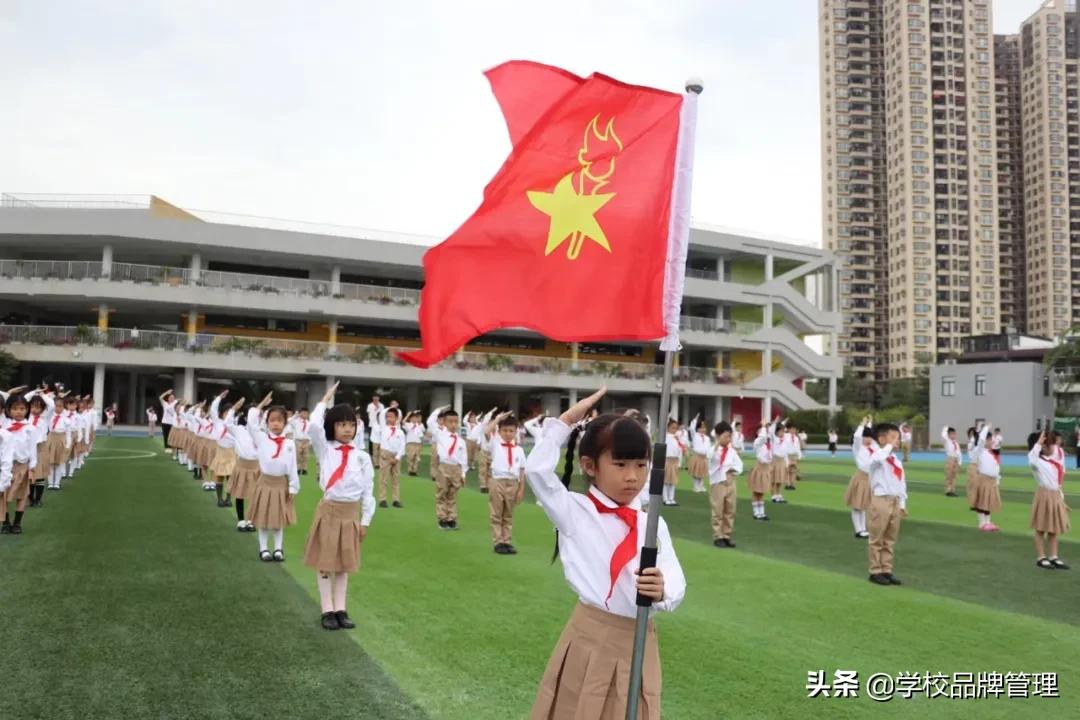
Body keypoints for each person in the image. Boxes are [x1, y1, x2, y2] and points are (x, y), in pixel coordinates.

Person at [525, 387, 685, 719]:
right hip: (591, 636)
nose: (633, 476)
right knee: (579, 707)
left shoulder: (651, 523)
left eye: (641, 465)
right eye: (621, 464)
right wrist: (565, 422)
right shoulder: (575, 512)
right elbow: (537, 472)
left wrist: (663, 589)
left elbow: (672, 575)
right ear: (590, 465)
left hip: (640, 637)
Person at [305, 382, 376, 630]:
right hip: (329, 511)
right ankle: (327, 610)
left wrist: (365, 521)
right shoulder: (325, 450)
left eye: (351, 424)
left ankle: (341, 609)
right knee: (326, 563)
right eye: (341, 424)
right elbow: (313, 425)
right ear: (332, 427)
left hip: (351, 514)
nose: (347, 430)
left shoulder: (362, 456)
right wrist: (324, 400)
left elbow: (368, 490)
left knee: (345, 564)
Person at [246, 393, 300, 561]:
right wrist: (261, 405)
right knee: (263, 518)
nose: (276, 424)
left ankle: (278, 549)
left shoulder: (289, 443)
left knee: (278, 520)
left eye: (279, 420)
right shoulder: (262, 438)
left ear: (285, 423)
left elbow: (293, 466)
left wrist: (293, 486)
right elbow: (251, 423)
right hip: (265, 482)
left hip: (281, 484)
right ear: (267, 422)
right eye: (272, 420)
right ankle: (263, 549)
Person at [867, 423, 907, 586]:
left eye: (897, 438)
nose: (896, 441)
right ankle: (875, 571)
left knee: (890, 539)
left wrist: (903, 502)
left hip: (894, 500)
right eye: (892, 437)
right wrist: (889, 445)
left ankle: (886, 569)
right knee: (877, 538)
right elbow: (877, 458)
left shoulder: (895, 460)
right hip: (881, 500)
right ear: (881, 439)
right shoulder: (877, 456)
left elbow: (901, 482)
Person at [485, 411, 526, 554]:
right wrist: (497, 419)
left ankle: (507, 541)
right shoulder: (495, 444)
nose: (508, 434)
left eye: (511, 431)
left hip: (513, 482)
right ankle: (498, 541)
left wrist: (521, 489)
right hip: (498, 481)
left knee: (508, 513)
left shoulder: (519, 450)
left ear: (516, 432)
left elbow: (522, 470)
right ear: (500, 431)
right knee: (497, 512)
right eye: (505, 431)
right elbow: (487, 431)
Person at [1027, 431, 1070, 570]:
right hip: (1044, 495)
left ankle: (1053, 556)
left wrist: (1061, 499)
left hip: (1055, 495)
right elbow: (1031, 458)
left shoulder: (1052, 460)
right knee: (1041, 528)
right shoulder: (1037, 462)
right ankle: (1041, 557)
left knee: (1054, 529)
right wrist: (1039, 442)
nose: (1054, 447)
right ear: (1043, 447)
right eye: (1051, 444)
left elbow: (1057, 483)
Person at [0, 393, 37, 535]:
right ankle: (5, 522)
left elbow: (32, 448)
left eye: (22, 408)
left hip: (22, 465)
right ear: (7, 410)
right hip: (5, 466)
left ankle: (17, 523)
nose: (19, 411)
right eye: (15, 408)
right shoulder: (3, 426)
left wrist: (32, 467)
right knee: (3, 494)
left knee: (21, 495)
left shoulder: (29, 428)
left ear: (27, 410)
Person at [428, 405, 467, 529]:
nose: (453, 425)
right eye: (450, 422)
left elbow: (463, 459)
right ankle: (442, 518)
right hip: (444, 467)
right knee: (441, 493)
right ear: (444, 422)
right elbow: (430, 421)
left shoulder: (461, 440)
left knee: (452, 494)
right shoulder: (440, 434)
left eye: (456, 422)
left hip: (456, 469)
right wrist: (440, 409)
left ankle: (451, 518)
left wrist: (463, 474)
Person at [223, 398, 257, 532]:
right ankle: (241, 520)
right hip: (242, 465)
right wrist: (233, 409)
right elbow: (227, 423)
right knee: (240, 493)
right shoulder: (238, 429)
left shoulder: (261, 431)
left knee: (255, 495)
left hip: (256, 466)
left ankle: (251, 520)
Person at [708, 420, 742, 548]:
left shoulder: (731, 451)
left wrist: (735, 470)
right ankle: (718, 536)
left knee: (730, 509)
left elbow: (739, 464)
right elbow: (710, 457)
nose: (728, 439)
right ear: (718, 436)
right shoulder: (713, 450)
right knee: (718, 510)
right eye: (725, 436)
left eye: (729, 436)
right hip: (718, 482)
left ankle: (727, 535)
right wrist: (717, 443)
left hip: (730, 480)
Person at [968, 422, 1002, 532]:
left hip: (991, 480)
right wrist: (986, 428)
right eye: (990, 439)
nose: (992, 441)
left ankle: (988, 521)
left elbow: (995, 467)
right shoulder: (980, 450)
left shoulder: (990, 452)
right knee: (982, 501)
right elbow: (981, 440)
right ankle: (982, 523)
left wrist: (997, 478)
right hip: (983, 479)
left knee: (988, 501)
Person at [844, 417, 875, 539]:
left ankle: (863, 529)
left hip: (870, 478)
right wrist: (862, 425)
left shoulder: (873, 447)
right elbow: (857, 437)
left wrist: (869, 423)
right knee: (857, 505)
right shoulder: (858, 447)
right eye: (867, 437)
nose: (869, 439)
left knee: (864, 505)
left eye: (871, 437)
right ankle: (858, 530)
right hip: (861, 477)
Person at [208, 392, 237, 508]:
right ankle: (219, 499)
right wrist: (219, 397)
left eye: (231, 413)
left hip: (231, 453)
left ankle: (228, 499)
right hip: (221, 451)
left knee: (230, 477)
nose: (228, 415)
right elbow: (213, 410)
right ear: (222, 413)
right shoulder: (217, 422)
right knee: (219, 476)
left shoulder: (233, 426)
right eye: (226, 412)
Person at [377, 406, 406, 508]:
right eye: (387, 417)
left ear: (397, 418)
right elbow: (381, 414)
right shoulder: (383, 429)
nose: (389, 419)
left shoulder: (400, 432)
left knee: (396, 479)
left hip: (396, 456)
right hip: (385, 455)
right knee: (383, 479)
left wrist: (397, 457)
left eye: (392, 417)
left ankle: (396, 499)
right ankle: (382, 499)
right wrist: (391, 407)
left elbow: (402, 445)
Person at [748, 421, 773, 521]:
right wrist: (763, 426)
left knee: (762, 492)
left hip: (765, 468)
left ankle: (761, 512)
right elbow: (762, 437)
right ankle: (756, 512)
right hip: (759, 468)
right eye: (761, 430)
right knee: (756, 491)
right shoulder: (757, 442)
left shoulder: (767, 444)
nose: (764, 432)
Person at [662, 418, 684, 506]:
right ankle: (665, 498)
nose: (674, 430)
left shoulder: (677, 439)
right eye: (672, 428)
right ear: (668, 428)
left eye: (676, 428)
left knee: (673, 481)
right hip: (667, 460)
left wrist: (679, 463)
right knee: (666, 481)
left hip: (675, 461)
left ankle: (671, 498)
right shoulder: (665, 437)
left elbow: (680, 451)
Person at [769, 418, 788, 504]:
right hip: (775, 460)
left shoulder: (784, 439)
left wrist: (786, 462)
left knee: (780, 479)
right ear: (777, 432)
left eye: (783, 431)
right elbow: (771, 431)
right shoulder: (774, 438)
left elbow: (785, 452)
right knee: (774, 479)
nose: (782, 433)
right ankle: (773, 495)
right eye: (780, 431)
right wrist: (775, 422)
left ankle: (779, 494)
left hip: (782, 461)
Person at [689, 415, 710, 494]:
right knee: (696, 472)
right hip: (697, 456)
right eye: (701, 427)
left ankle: (701, 486)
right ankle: (695, 486)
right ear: (697, 429)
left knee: (702, 472)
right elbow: (691, 428)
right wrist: (695, 419)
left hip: (704, 457)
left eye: (704, 427)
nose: (703, 429)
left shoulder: (707, 438)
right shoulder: (695, 435)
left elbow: (708, 447)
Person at [941, 425, 962, 497]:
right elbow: (943, 435)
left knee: (954, 476)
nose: (954, 435)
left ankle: (952, 490)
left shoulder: (956, 442)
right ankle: (948, 490)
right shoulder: (947, 441)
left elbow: (959, 452)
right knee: (949, 475)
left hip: (956, 459)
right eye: (952, 434)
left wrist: (960, 462)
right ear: (949, 434)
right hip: (950, 458)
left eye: (955, 434)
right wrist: (946, 428)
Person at [290, 408, 312, 475]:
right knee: (298, 455)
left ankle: (304, 469)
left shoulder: (309, 423)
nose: (305, 414)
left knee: (306, 456)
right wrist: (296, 415)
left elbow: (310, 432)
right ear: (300, 413)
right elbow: (289, 420)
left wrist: (310, 441)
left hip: (306, 440)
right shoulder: (296, 421)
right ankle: (298, 469)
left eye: (306, 413)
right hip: (298, 440)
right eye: (303, 413)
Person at [402, 410, 424, 476]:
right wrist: (408, 415)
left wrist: (419, 419)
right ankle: (410, 470)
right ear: (410, 419)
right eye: (412, 418)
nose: (414, 419)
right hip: (410, 443)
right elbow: (403, 422)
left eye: (415, 418)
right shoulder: (408, 424)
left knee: (417, 458)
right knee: (410, 457)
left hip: (418, 443)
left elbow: (422, 431)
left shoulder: (420, 425)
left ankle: (415, 471)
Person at [366, 394, 384, 467]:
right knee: (371, 440)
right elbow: (369, 414)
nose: (376, 399)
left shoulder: (381, 405)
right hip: (372, 424)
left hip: (380, 424)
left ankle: (379, 458)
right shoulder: (370, 405)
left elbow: (382, 414)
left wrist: (378, 407)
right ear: (373, 398)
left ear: (378, 398)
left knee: (380, 441)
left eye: (377, 398)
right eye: (374, 398)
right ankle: (371, 454)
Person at [159, 389, 178, 456]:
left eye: (173, 397)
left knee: (172, 436)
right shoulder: (165, 403)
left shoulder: (175, 403)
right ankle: (167, 448)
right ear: (168, 398)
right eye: (170, 397)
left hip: (172, 423)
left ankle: (173, 450)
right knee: (165, 436)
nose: (171, 398)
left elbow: (182, 401)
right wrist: (167, 392)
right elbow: (160, 397)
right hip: (164, 422)